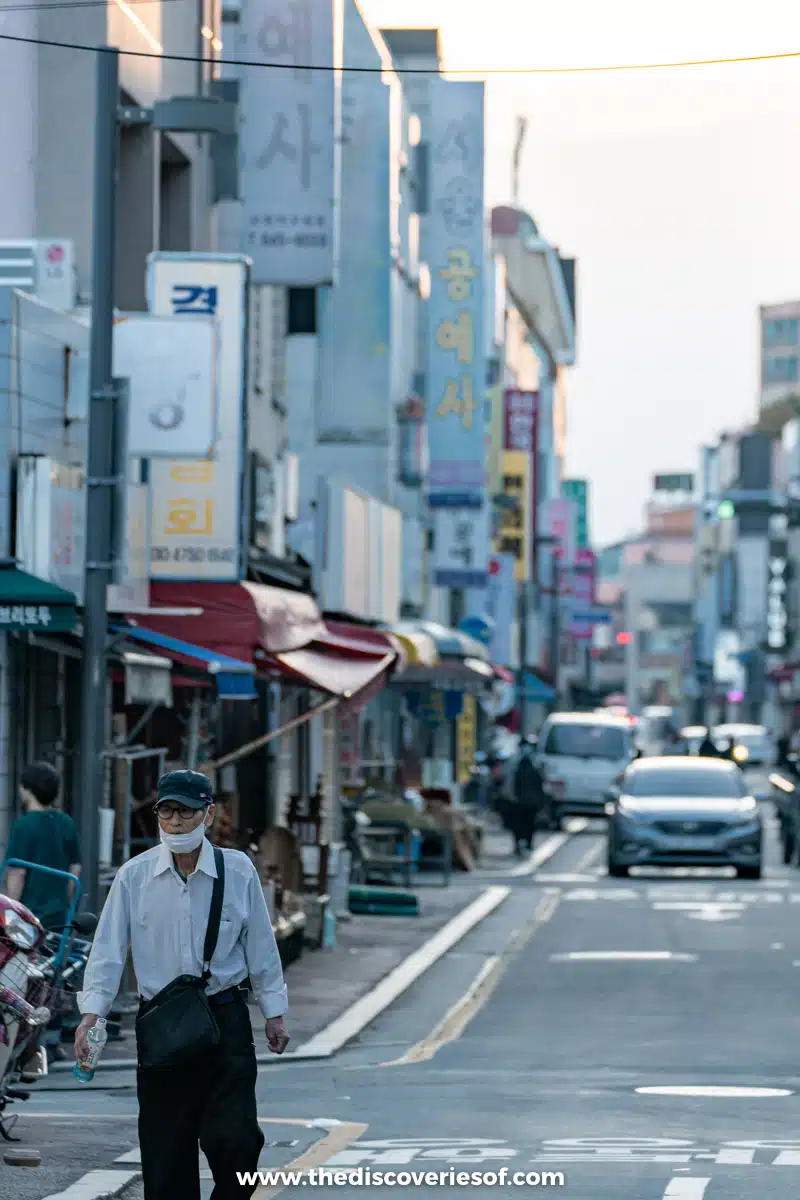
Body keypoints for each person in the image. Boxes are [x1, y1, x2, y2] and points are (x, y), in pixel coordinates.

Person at [75, 769, 290, 1200]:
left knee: (238, 1144)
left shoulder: (238, 870)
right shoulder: (133, 877)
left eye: (186, 812)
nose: (175, 822)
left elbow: (261, 947)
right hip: (162, 1024)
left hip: (224, 1020)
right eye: (167, 812)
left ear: (208, 815)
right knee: (166, 1155)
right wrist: (90, 1016)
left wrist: (274, 1014)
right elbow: (108, 951)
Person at [4, 761, 81, 932]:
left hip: (29, 922)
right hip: (60, 920)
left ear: (27, 790)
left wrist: (9, 918)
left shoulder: (23, 826)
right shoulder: (66, 822)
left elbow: (17, 874)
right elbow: (74, 868)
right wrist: (63, 903)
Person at [509, 737, 544, 857]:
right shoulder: (516, 763)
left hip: (522, 801)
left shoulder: (533, 763)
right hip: (524, 801)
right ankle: (524, 845)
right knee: (525, 824)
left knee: (524, 824)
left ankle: (523, 845)